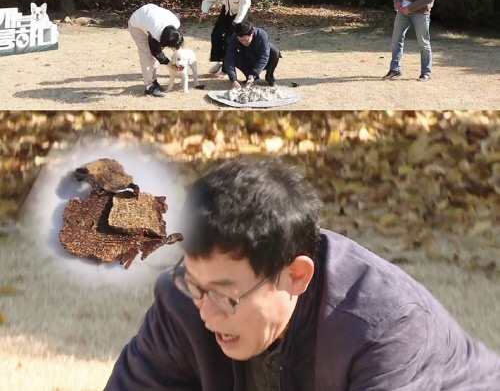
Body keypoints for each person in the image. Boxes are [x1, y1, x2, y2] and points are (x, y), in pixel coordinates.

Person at [104, 157, 500, 391]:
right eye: (194, 284)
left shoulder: (384, 328)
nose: (205, 312)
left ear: (295, 275)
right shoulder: (183, 301)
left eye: (226, 296)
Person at [384, 0, 444, 82]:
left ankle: (425, 73)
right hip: (402, 9)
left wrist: (410, 8)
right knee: (396, 39)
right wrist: (397, 0)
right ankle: (394, 69)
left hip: (421, 13)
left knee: (423, 43)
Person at [200, 0, 251, 76]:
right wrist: (204, 10)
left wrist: (238, 20)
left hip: (240, 11)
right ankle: (219, 60)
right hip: (227, 9)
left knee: (230, 39)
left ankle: (226, 69)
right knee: (216, 34)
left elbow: (246, 2)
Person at [128, 2, 181, 97]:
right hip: (136, 25)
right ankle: (150, 87)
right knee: (147, 55)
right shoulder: (156, 31)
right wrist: (170, 65)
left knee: (153, 57)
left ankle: (153, 80)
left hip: (148, 17)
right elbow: (156, 52)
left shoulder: (175, 23)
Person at [224, 20, 281, 88]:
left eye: (246, 40)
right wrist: (233, 79)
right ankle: (250, 77)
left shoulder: (261, 35)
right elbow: (229, 59)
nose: (244, 42)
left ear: (252, 33)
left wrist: (254, 74)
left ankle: (269, 76)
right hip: (247, 59)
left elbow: (264, 56)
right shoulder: (234, 38)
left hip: (260, 58)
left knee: (275, 51)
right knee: (229, 55)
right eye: (241, 40)